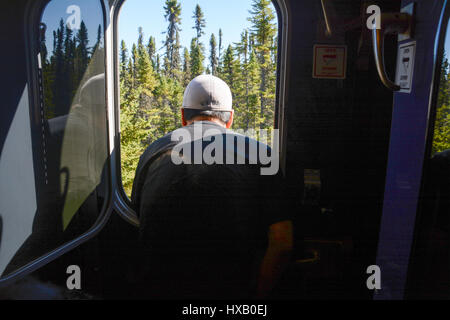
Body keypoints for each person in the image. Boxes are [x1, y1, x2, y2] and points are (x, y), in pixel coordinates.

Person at [131, 74, 293, 299]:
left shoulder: (152, 152)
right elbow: (282, 243)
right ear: (230, 119)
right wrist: (257, 295)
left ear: (183, 116)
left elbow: (138, 220)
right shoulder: (262, 154)